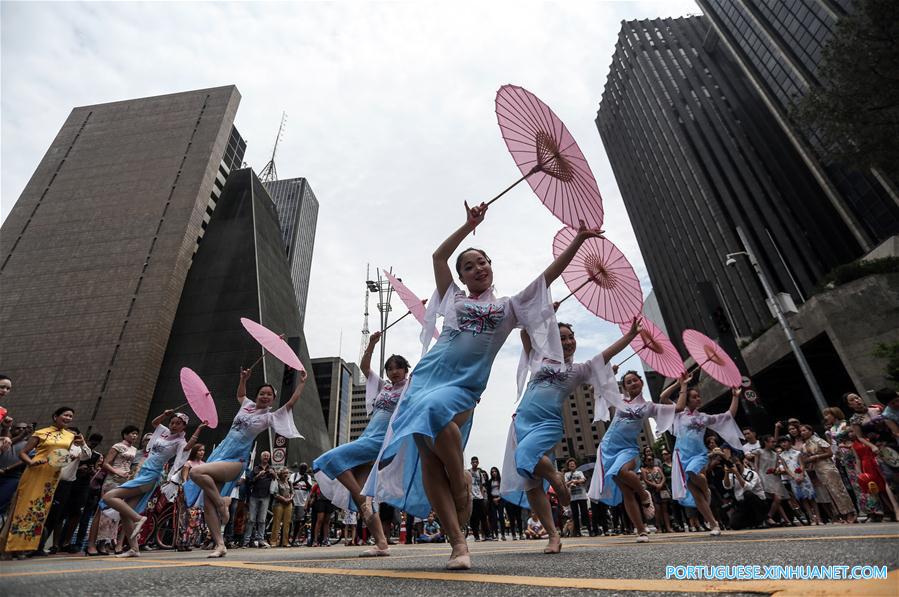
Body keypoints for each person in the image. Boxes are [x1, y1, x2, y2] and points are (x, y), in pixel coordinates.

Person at [364, 200, 601, 570]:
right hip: (426, 378)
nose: (478, 268)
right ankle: (458, 544)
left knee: (435, 416)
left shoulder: (509, 308)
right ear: (461, 276)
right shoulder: (453, 299)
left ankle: (460, 484)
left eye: (482, 262)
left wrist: (580, 241)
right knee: (428, 456)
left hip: (463, 386)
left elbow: (546, 278)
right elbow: (438, 256)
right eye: (469, 265)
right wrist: (468, 224)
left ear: (492, 267)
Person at [502, 319, 639, 552]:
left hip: (547, 424)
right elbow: (526, 331)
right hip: (521, 422)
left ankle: (556, 476)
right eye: (562, 337)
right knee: (531, 484)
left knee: (525, 457)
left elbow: (604, 356)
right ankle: (553, 536)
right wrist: (545, 316)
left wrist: (630, 336)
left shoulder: (579, 370)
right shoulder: (539, 357)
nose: (567, 341)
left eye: (570, 337)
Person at [185, 367, 307, 558]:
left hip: (236, 460)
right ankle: (220, 544)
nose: (265, 396)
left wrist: (301, 384)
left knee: (195, 473)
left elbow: (290, 404)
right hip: (219, 454)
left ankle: (221, 505)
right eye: (262, 393)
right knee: (207, 504)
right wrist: (243, 379)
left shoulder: (269, 417)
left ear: (273, 399)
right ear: (257, 395)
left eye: (269, 395)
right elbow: (241, 394)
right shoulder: (247, 405)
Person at [312, 332, 406, 557]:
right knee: (361, 492)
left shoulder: (409, 387)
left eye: (397, 368)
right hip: (367, 436)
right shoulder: (384, 387)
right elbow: (365, 368)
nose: (393, 372)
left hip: (382, 440)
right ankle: (381, 543)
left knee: (329, 458)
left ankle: (364, 503)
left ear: (405, 369)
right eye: (390, 368)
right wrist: (372, 344)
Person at [587, 368, 676, 543]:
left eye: (635, 380)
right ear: (625, 387)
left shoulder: (648, 406)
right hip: (608, 448)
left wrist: (681, 385)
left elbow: (677, 408)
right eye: (628, 382)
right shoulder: (619, 399)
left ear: (641, 382)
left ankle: (644, 494)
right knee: (626, 491)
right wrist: (606, 374)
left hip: (627, 449)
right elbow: (593, 391)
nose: (632, 383)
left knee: (622, 472)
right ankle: (641, 530)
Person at [104, 410, 205, 557]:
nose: (174, 425)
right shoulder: (163, 432)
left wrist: (199, 429)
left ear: (184, 427)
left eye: (178, 424)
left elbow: (188, 447)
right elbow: (155, 423)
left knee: (109, 497)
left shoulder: (180, 442)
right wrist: (164, 414)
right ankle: (134, 549)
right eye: (172, 422)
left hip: (151, 476)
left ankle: (139, 519)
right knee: (125, 512)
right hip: (142, 472)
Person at [0, 407, 80, 558]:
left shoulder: (70, 436)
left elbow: (63, 457)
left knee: (39, 512)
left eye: (71, 416)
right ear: (55, 416)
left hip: (51, 478)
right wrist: (31, 463)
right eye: (65, 415)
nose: (68, 418)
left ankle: (25, 547)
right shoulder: (41, 432)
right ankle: (11, 547)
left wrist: (75, 452)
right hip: (34, 473)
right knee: (23, 509)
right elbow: (22, 453)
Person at [670, 374, 743, 537]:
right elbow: (663, 397)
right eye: (694, 397)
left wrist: (735, 397)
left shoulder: (704, 418)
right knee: (696, 495)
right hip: (681, 456)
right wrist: (681, 386)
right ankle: (714, 524)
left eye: (698, 396)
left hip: (698, 455)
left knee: (692, 472)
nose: (698, 399)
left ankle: (706, 490)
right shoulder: (678, 415)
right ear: (687, 400)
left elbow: (728, 415)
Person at [38, 426, 93, 555]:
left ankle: (45, 545)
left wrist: (83, 443)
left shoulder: (78, 448)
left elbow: (87, 455)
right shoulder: (56, 445)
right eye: (68, 434)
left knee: (56, 515)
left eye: (74, 435)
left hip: (65, 484)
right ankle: (36, 544)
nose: (71, 436)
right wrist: (68, 456)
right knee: (42, 511)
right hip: (49, 482)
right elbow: (53, 461)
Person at [799, 423, 856, 523]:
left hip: (828, 467)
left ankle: (850, 513)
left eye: (804, 430)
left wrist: (816, 457)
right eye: (801, 431)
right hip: (818, 470)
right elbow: (805, 459)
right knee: (829, 493)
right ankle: (840, 515)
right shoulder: (804, 445)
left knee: (838, 490)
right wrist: (807, 460)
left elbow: (830, 453)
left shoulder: (818, 440)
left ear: (810, 431)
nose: (802, 433)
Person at [776, 435, 820, 524]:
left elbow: (802, 465)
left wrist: (801, 475)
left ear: (789, 442)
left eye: (785, 442)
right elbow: (786, 468)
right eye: (781, 443)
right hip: (793, 479)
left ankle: (819, 518)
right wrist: (793, 477)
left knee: (811, 497)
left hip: (803, 476)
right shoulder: (781, 455)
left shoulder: (797, 453)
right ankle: (811, 518)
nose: (783, 444)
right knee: (803, 498)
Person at [722, 455, 767, 529]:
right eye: (734, 465)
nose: (736, 467)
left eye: (738, 465)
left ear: (742, 463)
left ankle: (761, 521)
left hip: (758, 503)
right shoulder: (731, 474)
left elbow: (748, 488)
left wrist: (737, 473)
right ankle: (751, 522)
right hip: (742, 504)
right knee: (734, 525)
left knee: (748, 494)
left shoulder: (751, 473)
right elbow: (727, 486)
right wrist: (726, 472)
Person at [243, 450, 275, 549]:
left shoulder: (271, 468)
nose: (266, 457)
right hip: (255, 496)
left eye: (267, 456)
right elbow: (249, 481)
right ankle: (246, 541)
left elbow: (276, 480)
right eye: (264, 456)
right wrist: (258, 476)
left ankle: (261, 540)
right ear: (261, 457)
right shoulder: (256, 468)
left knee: (262, 520)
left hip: (266, 496)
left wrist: (273, 474)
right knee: (251, 519)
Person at [641, 453, 672, 533]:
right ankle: (659, 527)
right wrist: (655, 485)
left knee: (665, 510)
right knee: (657, 509)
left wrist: (660, 484)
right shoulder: (644, 470)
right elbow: (645, 480)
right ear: (645, 461)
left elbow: (663, 477)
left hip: (662, 489)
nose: (650, 461)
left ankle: (668, 527)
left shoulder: (657, 468)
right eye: (648, 460)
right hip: (653, 491)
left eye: (651, 459)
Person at [288, 462, 312, 546]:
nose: (303, 470)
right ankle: (287, 539)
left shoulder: (308, 477)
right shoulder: (293, 475)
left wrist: (305, 480)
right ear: (299, 469)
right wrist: (299, 480)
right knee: (289, 521)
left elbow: (310, 488)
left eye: (305, 469)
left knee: (299, 522)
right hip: (293, 501)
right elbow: (290, 485)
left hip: (302, 503)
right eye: (302, 468)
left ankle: (295, 539)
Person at [270, 468, 294, 548]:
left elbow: (292, 492)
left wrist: (290, 498)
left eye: (287, 473)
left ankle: (285, 542)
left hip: (288, 503)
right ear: (280, 474)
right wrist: (284, 499)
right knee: (276, 523)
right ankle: (273, 541)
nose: (286, 474)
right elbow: (275, 494)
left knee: (287, 523)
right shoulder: (277, 481)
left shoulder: (289, 482)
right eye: (284, 473)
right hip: (279, 503)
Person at [468, 457, 489, 540]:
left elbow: (481, 485)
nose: (475, 464)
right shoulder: (468, 472)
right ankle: (476, 536)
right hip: (472, 498)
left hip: (480, 497)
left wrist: (482, 496)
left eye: (476, 462)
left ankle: (487, 535)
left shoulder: (480, 473)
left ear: (478, 463)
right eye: (473, 462)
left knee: (483, 517)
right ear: (471, 463)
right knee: (474, 518)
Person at [306, 481, 332, 547]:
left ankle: (325, 540)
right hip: (320, 502)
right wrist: (307, 504)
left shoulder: (331, 483)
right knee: (320, 520)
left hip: (329, 502)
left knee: (327, 521)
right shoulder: (318, 484)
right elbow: (311, 494)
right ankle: (315, 540)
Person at [486, 467, 506, 541]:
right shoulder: (489, 481)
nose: (494, 473)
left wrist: (499, 498)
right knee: (494, 518)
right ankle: (496, 534)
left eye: (495, 471)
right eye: (492, 472)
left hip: (500, 499)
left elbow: (503, 491)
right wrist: (493, 499)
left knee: (501, 517)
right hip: (492, 500)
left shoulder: (501, 481)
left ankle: (503, 534)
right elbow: (488, 493)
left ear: (497, 472)